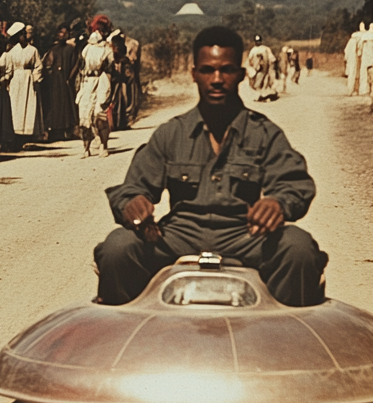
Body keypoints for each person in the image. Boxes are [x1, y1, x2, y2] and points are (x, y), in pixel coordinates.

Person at [94, 25, 327, 306]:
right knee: (118, 247)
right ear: (194, 74)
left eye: (227, 70)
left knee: (298, 248)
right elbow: (132, 188)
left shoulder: (264, 133)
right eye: (207, 70)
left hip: (245, 234)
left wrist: (278, 204)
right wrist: (132, 203)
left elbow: (295, 183)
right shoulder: (171, 133)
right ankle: (128, 335)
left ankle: (286, 337)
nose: (217, 79)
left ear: (241, 75)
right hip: (180, 234)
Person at [76, 15, 114, 157]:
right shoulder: (86, 48)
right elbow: (81, 67)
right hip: (87, 82)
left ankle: (103, 145)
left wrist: (108, 91)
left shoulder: (107, 50)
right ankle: (86, 147)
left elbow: (110, 70)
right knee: (84, 114)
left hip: (101, 81)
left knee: (99, 113)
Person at [6, 21, 44, 147]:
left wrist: (34, 78)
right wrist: (8, 81)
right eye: (20, 35)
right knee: (16, 106)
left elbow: (38, 66)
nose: (23, 37)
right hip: (16, 81)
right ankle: (16, 136)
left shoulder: (33, 50)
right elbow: (9, 68)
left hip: (28, 81)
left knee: (28, 105)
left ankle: (27, 135)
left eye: (24, 34)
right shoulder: (12, 52)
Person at [41, 23, 77, 142]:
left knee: (67, 105)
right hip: (55, 82)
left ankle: (69, 130)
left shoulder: (71, 49)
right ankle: (56, 131)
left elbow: (75, 64)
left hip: (66, 81)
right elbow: (47, 64)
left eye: (65, 33)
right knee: (55, 105)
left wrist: (70, 78)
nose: (62, 35)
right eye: (61, 33)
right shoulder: (53, 49)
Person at [246, 34, 278, 102]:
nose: (258, 42)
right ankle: (262, 96)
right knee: (255, 84)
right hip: (258, 69)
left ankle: (261, 97)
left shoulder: (264, 49)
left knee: (257, 84)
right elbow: (250, 59)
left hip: (262, 69)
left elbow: (271, 59)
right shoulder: (259, 49)